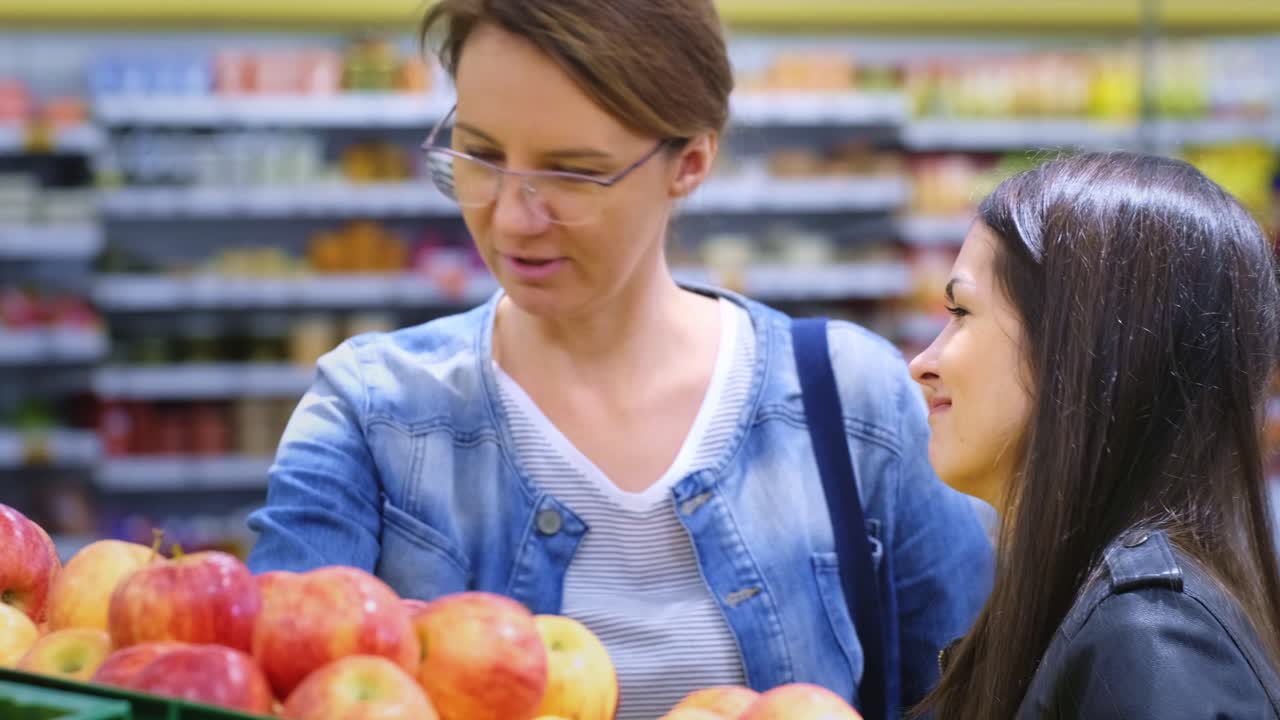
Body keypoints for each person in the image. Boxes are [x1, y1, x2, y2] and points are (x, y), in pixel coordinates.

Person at [246, 0, 993, 716]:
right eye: (479, 155)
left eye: (571, 171)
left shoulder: (858, 405)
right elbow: (274, 686)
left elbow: (978, 695)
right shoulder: (369, 410)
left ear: (690, 162)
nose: (510, 217)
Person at [909, 151, 1280, 719]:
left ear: (1078, 349)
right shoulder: (1088, 605)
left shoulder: (1145, 635)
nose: (922, 363)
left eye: (961, 312)